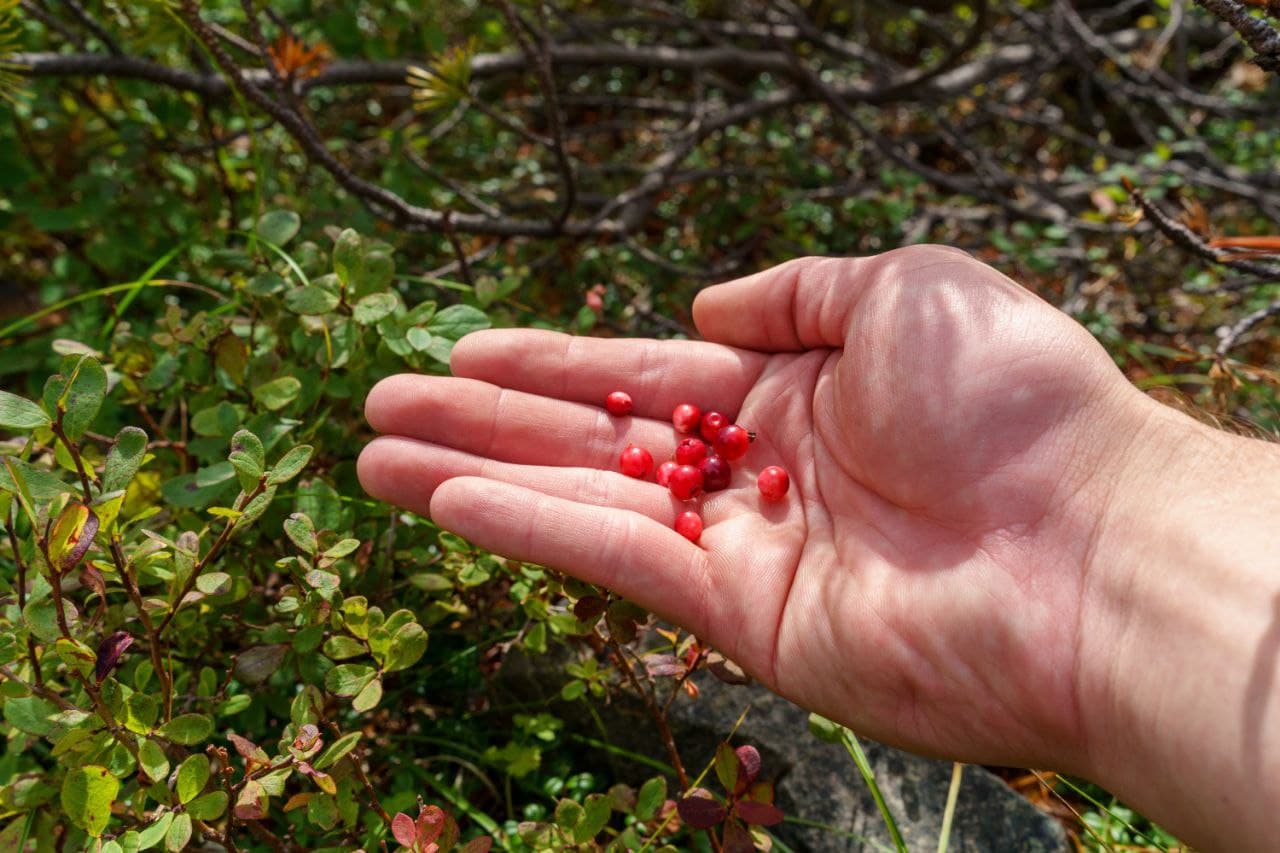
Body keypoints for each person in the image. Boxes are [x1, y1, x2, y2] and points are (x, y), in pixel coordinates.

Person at [357, 246, 1280, 852]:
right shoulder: (716, 459)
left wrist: (1104, 482)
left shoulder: (739, 459)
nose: (693, 443)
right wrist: (1114, 498)